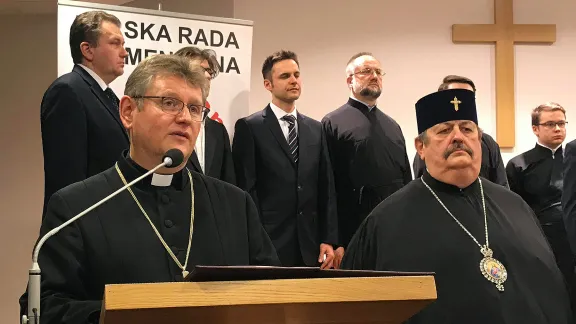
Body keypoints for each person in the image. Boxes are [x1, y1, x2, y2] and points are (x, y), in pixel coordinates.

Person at [19, 54, 280, 324]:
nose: (185, 118)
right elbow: (46, 307)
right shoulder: (76, 206)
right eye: (169, 103)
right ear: (128, 112)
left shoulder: (236, 205)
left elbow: (277, 295)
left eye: (194, 108)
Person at [342, 88, 573, 323]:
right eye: (444, 130)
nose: (458, 137)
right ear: (421, 147)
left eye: (466, 129)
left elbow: (549, 289)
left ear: (479, 139)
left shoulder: (515, 206)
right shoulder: (384, 222)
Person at [232, 50, 338, 269]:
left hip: (311, 245)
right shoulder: (250, 127)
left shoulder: (316, 129)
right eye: (285, 76)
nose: (293, 81)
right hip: (269, 243)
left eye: (296, 75)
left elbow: (326, 187)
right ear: (268, 84)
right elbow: (246, 190)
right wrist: (255, 241)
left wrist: (329, 238)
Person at [321, 52, 411, 266]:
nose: (374, 76)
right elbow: (327, 186)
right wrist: (335, 240)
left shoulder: (393, 126)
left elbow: (407, 180)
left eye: (378, 72)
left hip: (394, 229)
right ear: (349, 80)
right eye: (366, 71)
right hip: (352, 231)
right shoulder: (332, 123)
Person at [40, 11, 130, 217]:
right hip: (84, 230)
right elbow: (67, 179)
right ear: (87, 50)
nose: (124, 52)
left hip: (111, 224)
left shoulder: (110, 97)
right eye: (115, 43)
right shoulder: (67, 91)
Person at [506, 103, 573, 288]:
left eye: (562, 123)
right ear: (535, 129)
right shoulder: (518, 165)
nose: (558, 128)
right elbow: (514, 211)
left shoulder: (573, 159)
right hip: (538, 240)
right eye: (550, 124)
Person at [412, 75, 508, 188]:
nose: (460, 100)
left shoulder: (488, 143)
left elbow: (501, 184)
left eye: (468, 97)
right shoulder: (430, 146)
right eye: (445, 130)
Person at [174, 46, 236, 185]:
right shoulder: (165, 123)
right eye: (202, 70)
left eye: (209, 71)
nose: (208, 76)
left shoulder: (218, 130)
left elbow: (229, 182)